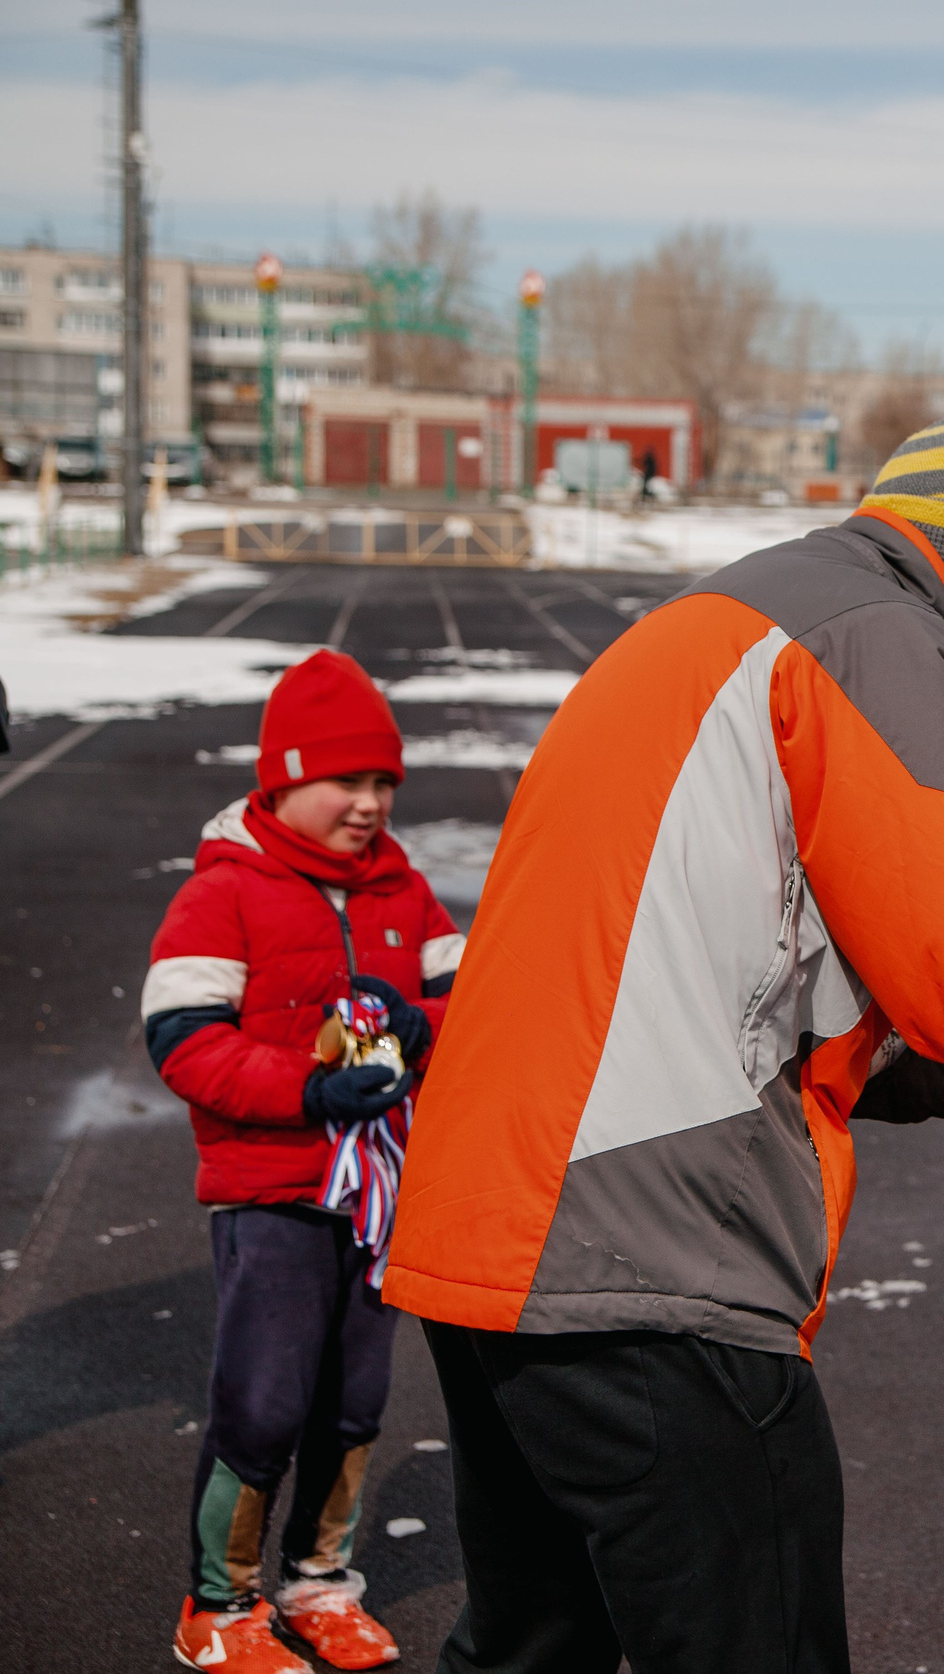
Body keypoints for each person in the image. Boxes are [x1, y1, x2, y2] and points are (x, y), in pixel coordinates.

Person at [381, 419, 944, 1674]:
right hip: (650, 1254)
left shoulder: (728, 615)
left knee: (535, 1652)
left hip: (493, 1233)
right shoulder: (876, 635)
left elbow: (733, 977)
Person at [144, 649, 465, 1674]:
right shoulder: (225, 890)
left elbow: (469, 1000)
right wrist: (305, 1089)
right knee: (265, 1403)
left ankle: (319, 1580)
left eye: (383, 782)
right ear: (281, 780)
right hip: (273, 1192)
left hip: (375, 1200)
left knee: (354, 1403)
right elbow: (182, 1040)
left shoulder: (402, 888)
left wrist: (421, 1026)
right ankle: (217, 1603)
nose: (370, 804)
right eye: (346, 781)